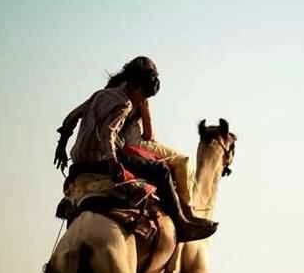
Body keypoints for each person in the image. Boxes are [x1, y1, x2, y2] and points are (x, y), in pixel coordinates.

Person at [53, 56, 217, 242]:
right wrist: (113, 161)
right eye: (144, 96)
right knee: (161, 170)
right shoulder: (126, 103)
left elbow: (72, 117)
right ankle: (182, 224)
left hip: (79, 162)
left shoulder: (100, 94)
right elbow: (109, 133)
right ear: (137, 87)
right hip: (102, 160)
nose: (143, 101)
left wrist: (62, 145)